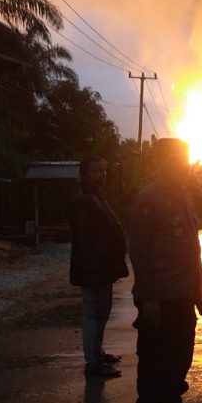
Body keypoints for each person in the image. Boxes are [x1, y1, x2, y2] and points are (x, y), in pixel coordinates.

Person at [128, 138, 202, 403]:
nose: (183, 165)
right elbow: (139, 252)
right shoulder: (149, 200)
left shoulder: (185, 197)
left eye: (185, 159)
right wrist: (148, 297)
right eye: (176, 159)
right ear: (161, 163)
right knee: (154, 360)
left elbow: (192, 247)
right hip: (160, 298)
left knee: (181, 355)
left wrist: (199, 286)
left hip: (183, 294)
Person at [68, 156, 129, 378]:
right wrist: (92, 271)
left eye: (103, 171)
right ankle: (93, 362)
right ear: (83, 174)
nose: (100, 175)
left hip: (103, 269)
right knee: (93, 314)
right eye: (95, 171)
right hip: (94, 270)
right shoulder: (82, 201)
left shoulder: (96, 197)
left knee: (102, 312)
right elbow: (83, 241)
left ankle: (98, 353)